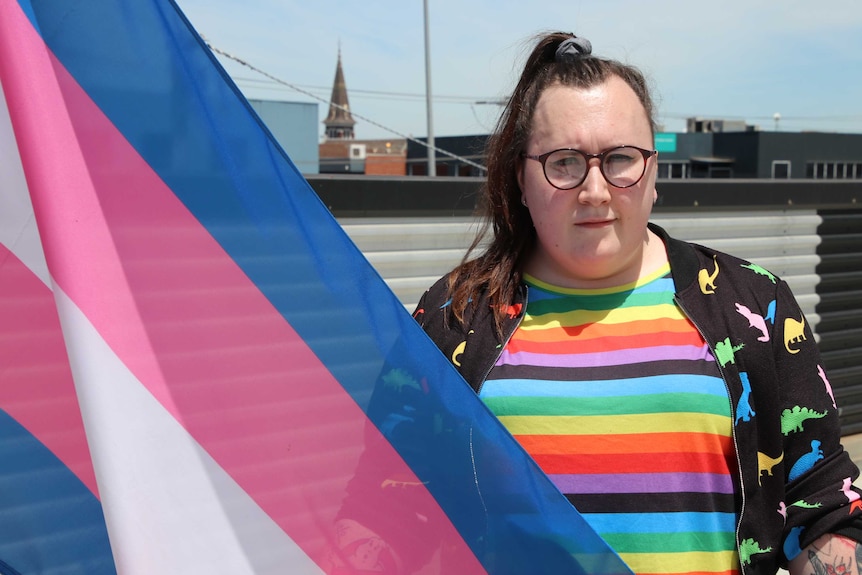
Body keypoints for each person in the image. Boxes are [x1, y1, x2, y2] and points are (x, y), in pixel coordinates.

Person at [407, 31, 862, 575]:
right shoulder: (453, 316)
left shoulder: (755, 305)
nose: (595, 190)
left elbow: (826, 507)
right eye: (564, 162)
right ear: (521, 179)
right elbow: (386, 500)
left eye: (621, 159)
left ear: (654, 176)